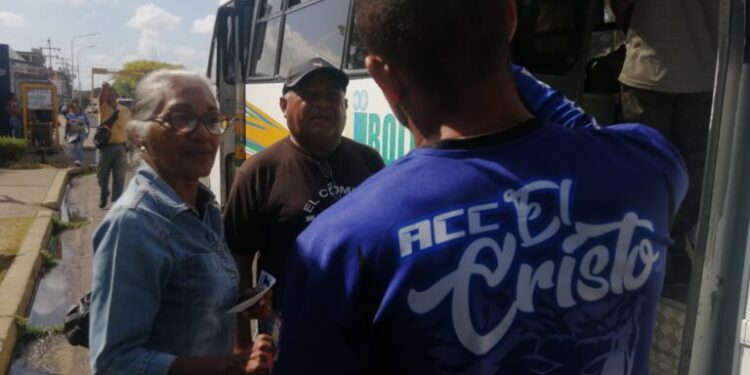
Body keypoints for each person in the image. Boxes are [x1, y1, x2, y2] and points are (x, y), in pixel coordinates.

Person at [274, 0, 688, 374]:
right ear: (510, 19)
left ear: (382, 75)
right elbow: (584, 132)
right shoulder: (647, 168)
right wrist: (491, 52)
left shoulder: (335, 248)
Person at [89, 70, 274, 375]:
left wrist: (236, 302)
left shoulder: (205, 208)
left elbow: (183, 301)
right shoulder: (133, 224)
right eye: (182, 118)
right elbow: (113, 363)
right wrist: (229, 368)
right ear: (139, 135)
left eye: (212, 120)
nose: (203, 133)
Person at [223, 57, 386, 351]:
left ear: (345, 106)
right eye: (309, 94)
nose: (322, 104)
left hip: (362, 318)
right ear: (284, 106)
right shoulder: (258, 172)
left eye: (332, 95)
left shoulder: (370, 161)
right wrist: (241, 347)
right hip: (287, 325)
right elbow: (239, 260)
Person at [612, 0, 717, 266]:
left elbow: (621, 5)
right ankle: (678, 254)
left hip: (648, 69)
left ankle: (642, 255)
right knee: (692, 175)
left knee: (645, 173)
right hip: (702, 73)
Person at [97, 83, 130, 209]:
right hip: (105, 147)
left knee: (119, 177)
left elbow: (123, 125)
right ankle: (104, 192)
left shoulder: (124, 110)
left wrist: (116, 108)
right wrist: (103, 89)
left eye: (111, 93)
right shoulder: (103, 107)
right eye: (107, 94)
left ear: (116, 96)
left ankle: (116, 202)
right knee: (101, 177)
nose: (109, 96)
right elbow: (100, 99)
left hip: (120, 147)